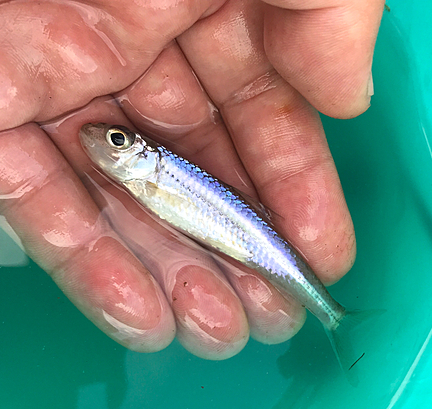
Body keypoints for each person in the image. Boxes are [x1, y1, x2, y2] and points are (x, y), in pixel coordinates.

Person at [0, 0, 384, 359]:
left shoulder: (153, 175)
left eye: (119, 142)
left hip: (249, 239)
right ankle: (333, 316)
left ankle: (333, 315)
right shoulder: (145, 178)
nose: (111, 144)